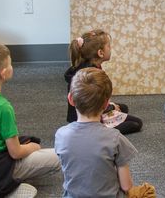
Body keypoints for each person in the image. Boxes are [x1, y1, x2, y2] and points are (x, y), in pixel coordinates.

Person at [0, 42, 60, 198]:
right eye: (11, 63)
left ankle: (0, 183)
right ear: (4, 73)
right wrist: (34, 147)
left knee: (25, 140)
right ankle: (8, 189)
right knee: (57, 156)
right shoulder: (2, 107)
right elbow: (15, 153)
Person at [55, 68, 155, 198]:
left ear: (71, 99)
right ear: (106, 104)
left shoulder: (61, 135)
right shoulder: (115, 138)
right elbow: (126, 186)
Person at [64, 29, 142, 134]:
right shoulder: (92, 76)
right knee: (136, 124)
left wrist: (112, 106)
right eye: (108, 46)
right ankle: (103, 131)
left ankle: (104, 123)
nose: (110, 49)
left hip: (81, 114)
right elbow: (93, 105)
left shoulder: (85, 69)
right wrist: (111, 107)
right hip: (90, 117)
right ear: (100, 53)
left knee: (123, 108)